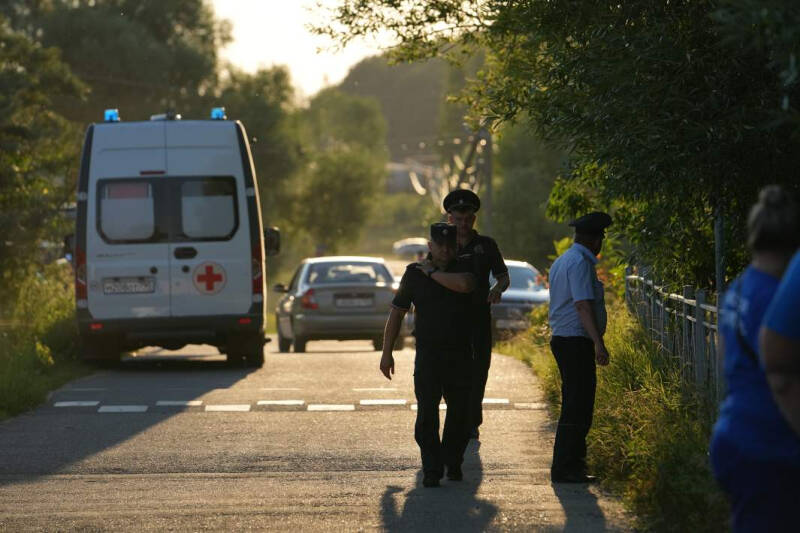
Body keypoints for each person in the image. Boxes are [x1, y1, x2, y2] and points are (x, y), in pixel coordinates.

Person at [709, 186, 800, 532]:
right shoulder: (777, 298)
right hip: (770, 445)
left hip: (734, 435)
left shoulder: (740, 288)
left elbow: (724, 357)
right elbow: (781, 376)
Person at [380, 222, 476, 488]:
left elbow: (465, 285)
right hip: (428, 354)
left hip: (460, 354)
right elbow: (397, 312)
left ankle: (453, 461)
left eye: (449, 245)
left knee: (460, 413)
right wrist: (386, 353)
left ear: (455, 246)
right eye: (439, 245)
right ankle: (432, 468)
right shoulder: (413, 273)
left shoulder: (465, 266)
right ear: (430, 246)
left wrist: (432, 272)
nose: (445, 250)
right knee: (427, 414)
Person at [547, 211, 612, 483]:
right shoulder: (580, 264)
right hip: (575, 340)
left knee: (575, 403)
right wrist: (599, 343)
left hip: (565, 338)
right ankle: (566, 467)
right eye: (601, 237)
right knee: (578, 405)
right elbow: (583, 305)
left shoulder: (564, 260)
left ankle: (571, 465)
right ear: (594, 240)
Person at [443, 189, 509, 439]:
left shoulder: (486, 245)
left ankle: (471, 421)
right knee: (450, 370)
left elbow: (503, 276)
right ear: (450, 218)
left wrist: (497, 288)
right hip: (449, 320)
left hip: (478, 318)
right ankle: (456, 414)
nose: (462, 224)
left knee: (478, 370)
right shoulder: (442, 244)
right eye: (457, 219)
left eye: (467, 219)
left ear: (473, 218)